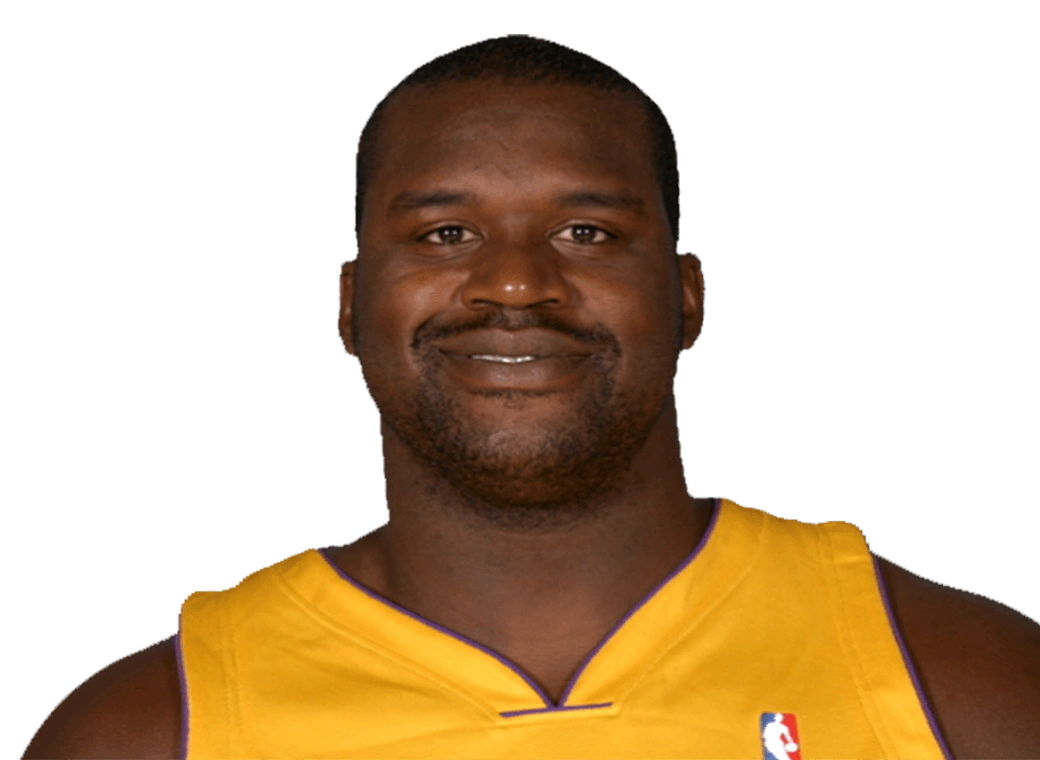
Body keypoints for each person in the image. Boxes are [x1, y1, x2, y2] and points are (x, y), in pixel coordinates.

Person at [24, 34, 1040, 760]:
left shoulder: (963, 686)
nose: (514, 283)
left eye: (586, 233)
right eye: (445, 234)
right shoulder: (154, 730)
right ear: (349, 305)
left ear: (687, 295)